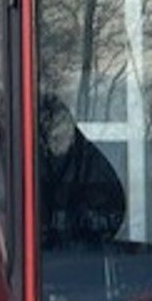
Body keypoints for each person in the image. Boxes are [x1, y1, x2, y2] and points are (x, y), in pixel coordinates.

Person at [36, 95, 125, 248]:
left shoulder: (93, 163)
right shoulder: (38, 162)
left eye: (60, 132)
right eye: (51, 134)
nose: (55, 138)